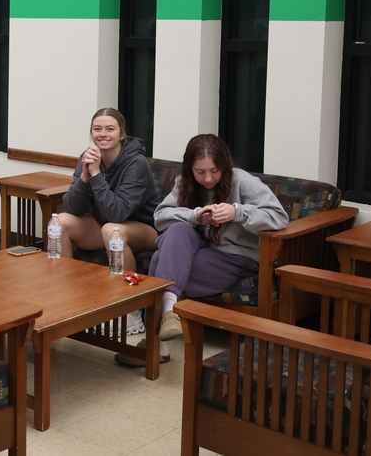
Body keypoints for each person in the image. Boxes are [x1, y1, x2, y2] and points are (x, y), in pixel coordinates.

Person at [115, 133, 288, 367]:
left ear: (224, 165)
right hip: (202, 247)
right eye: (200, 172)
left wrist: (238, 212)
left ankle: (158, 341)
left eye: (214, 171)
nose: (208, 178)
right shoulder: (183, 182)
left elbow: (278, 217)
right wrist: (194, 215)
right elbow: (160, 217)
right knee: (177, 230)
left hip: (235, 256)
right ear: (190, 169)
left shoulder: (243, 181)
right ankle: (168, 316)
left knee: (159, 261)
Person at [58, 107, 160, 274]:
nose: (103, 134)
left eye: (110, 129)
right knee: (61, 221)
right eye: (97, 129)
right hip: (104, 222)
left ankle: (124, 289)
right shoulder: (88, 157)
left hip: (143, 229)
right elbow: (72, 208)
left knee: (112, 231)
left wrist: (95, 175)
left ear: (121, 134)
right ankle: (65, 283)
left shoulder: (136, 163)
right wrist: (84, 177)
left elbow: (117, 214)